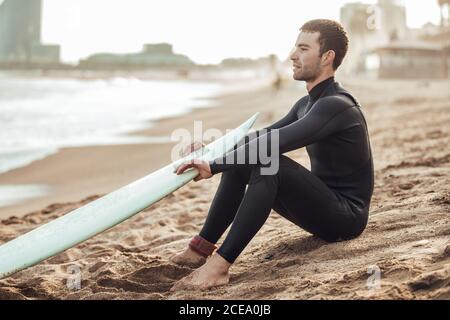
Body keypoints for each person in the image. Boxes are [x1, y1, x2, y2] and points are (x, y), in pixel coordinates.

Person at [170, 19, 374, 291]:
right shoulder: (307, 103)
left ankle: (219, 267)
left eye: (303, 49)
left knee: (269, 163)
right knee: (247, 157)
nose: (292, 55)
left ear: (327, 57)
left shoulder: (336, 106)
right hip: (322, 206)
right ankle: (200, 249)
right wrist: (209, 150)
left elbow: (274, 143)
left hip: (346, 218)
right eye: (295, 48)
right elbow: (258, 137)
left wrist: (213, 166)